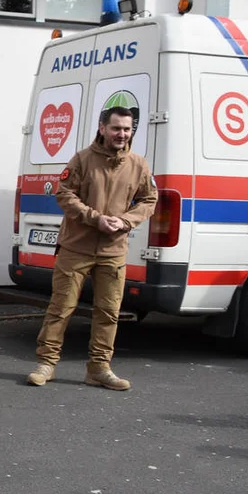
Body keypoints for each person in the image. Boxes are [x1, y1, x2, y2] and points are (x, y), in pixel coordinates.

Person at [26, 107, 157, 390]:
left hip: (113, 250)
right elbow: (64, 194)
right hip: (76, 247)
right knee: (61, 308)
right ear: (102, 128)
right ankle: (46, 364)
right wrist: (95, 218)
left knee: (108, 312)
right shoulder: (82, 160)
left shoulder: (138, 164)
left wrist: (124, 221)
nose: (121, 134)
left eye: (126, 129)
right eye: (116, 128)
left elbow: (149, 200)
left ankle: (99, 369)